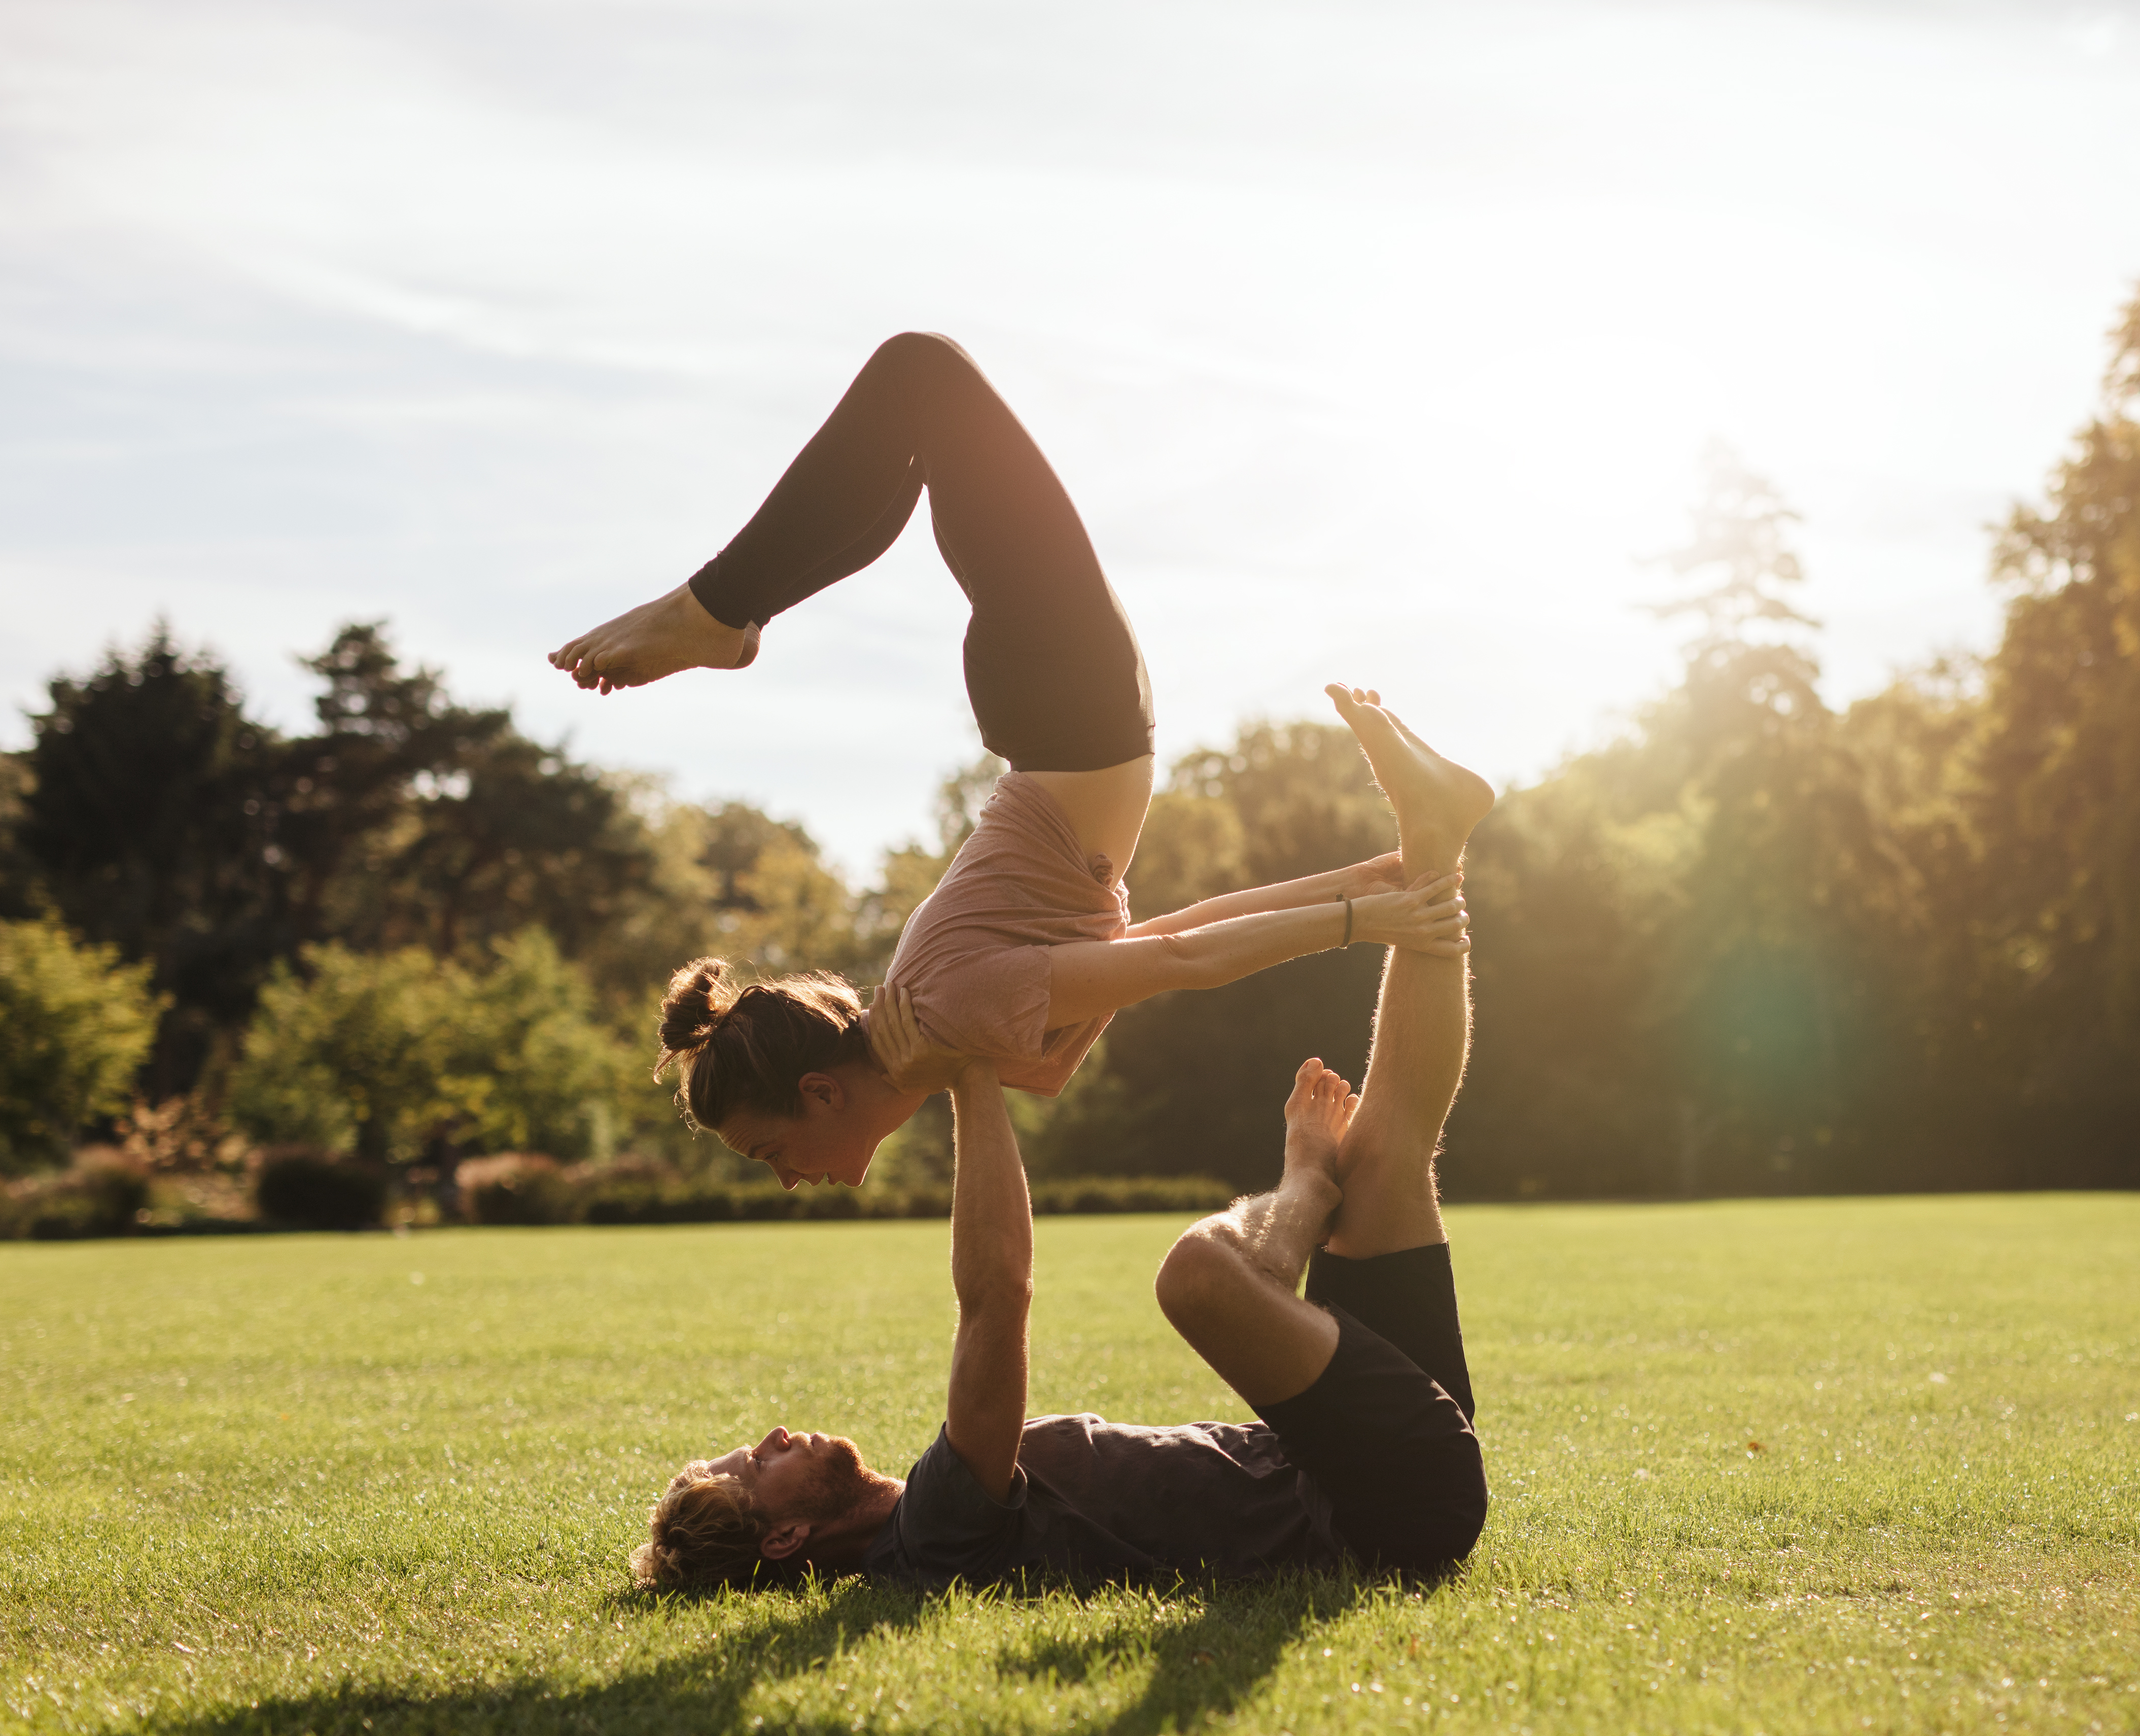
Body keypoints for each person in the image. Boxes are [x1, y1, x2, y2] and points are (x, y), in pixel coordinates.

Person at [551, 332, 1491, 1172]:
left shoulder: (949, 1015)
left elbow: (1187, 962)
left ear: (821, 1092)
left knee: (922, 380)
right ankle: (725, 615)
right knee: (919, 420)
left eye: (770, 1150)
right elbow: (1162, 940)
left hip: (1068, 707)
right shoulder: (953, 1044)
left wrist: (1358, 923)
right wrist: (1363, 883)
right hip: (1073, 712)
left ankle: (718, 612)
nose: (785, 1175)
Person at [628, 787, 1487, 1590]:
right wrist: (968, 1068)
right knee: (1194, 1275)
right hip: (1376, 1510)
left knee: (1388, 1151)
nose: (772, 1436)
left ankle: (1436, 840)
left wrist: (1370, 881)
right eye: (756, 1466)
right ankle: (1305, 1185)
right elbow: (995, 1295)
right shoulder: (931, 1533)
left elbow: (1160, 943)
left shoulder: (939, 1511)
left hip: (1366, 1446)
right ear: (784, 1539)